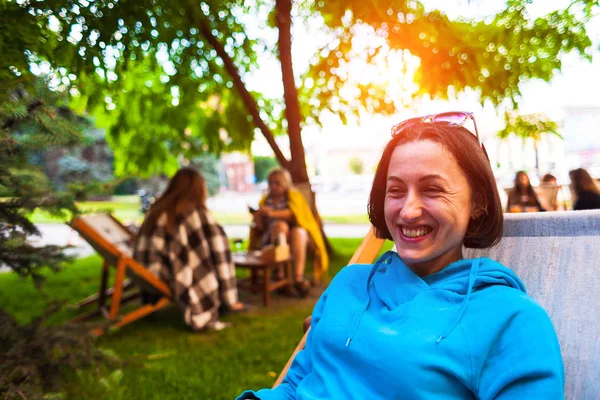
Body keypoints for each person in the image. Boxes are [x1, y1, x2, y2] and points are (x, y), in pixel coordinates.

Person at [238, 112, 563, 399]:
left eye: (433, 189)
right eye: (395, 190)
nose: (408, 211)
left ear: (478, 202)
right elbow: (296, 383)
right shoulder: (350, 281)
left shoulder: (509, 319)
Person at [133, 167, 245, 331]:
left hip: (148, 271)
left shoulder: (156, 210)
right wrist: (229, 296)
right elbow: (220, 249)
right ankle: (228, 302)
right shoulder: (191, 213)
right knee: (213, 253)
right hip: (170, 274)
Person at [250, 168, 328, 295]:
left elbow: (296, 215)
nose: (273, 186)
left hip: (297, 235)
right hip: (271, 237)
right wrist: (258, 216)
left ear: (285, 183)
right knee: (280, 226)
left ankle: (298, 278)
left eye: (277, 183)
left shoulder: (294, 196)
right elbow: (259, 227)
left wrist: (271, 213)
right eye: (271, 183)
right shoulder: (265, 200)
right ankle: (281, 276)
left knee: (299, 233)